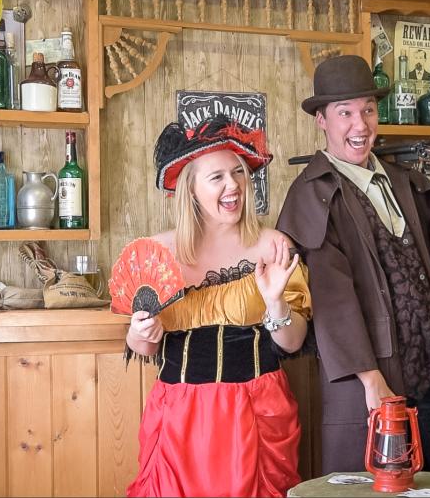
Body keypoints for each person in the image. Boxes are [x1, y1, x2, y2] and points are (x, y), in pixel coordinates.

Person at [277, 55, 430, 480]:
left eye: (368, 110)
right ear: (322, 120)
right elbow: (332, 302)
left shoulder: (400, 179)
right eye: (345, 113)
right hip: (374, 382)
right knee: (381, 487)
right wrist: (370, 380)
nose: (361, 124)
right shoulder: (310, 196)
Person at [124, 115, 311, 497]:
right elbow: (144, 348)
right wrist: (139, 331)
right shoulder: (155, 254)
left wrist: (275, 303)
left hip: (258, 409)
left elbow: (292, 344)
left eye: (238, 173)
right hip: (178, 414)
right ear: (191, 189)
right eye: (218, 177)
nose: (234, 186)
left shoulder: (273, 245)